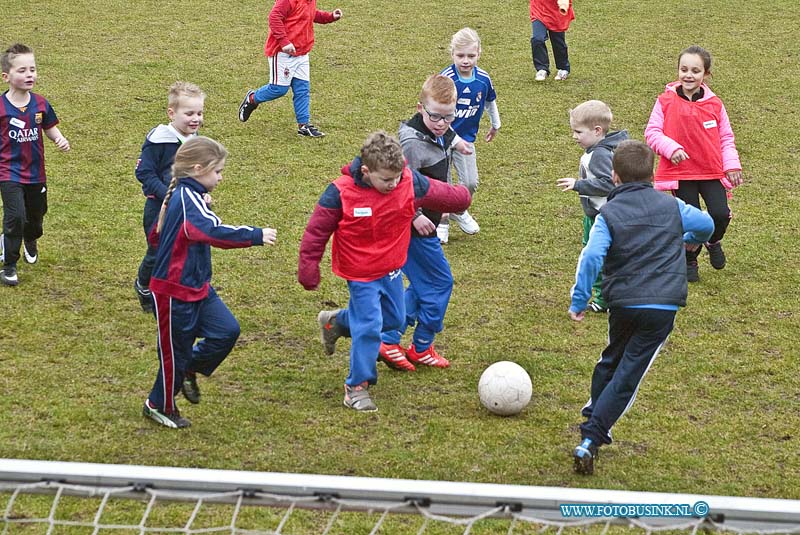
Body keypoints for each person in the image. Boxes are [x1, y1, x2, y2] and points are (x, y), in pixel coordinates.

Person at [568, 140, 714, 475]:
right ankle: (591, 436)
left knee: (612, 358)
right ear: (653, 175)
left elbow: (591, 256)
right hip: (661, 306)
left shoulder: (610, 213)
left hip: (623, 302)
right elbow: (706, 223)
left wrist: (579, 299)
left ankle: (593, 417)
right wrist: (687, 239)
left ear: (615, 177)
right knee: (629, 373)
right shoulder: (671, 205)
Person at [298, 131, 471, 411]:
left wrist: (461, 198)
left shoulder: (406, 180)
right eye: (386, 180)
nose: (394, 184)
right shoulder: (340, 193)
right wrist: (308, 267)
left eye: (397, 177)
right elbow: (316, 232)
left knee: (392, 320)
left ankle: (337, 323)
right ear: (366, 172)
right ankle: (356, 387)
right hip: (361, 275)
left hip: (391, 270)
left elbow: (439, 192)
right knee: (369, 328)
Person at [143, 137, 277, 429]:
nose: (221, 177)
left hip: (197, 286)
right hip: (173, 292)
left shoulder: (189, 195)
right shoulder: (186, 200)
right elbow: (211, 231)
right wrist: (254, 235)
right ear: (198, 168)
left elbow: (161, 234)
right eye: (217, 171)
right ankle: (159, 404)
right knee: (173, 354)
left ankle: (191, 367)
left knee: (227, 330)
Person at [377, 74, 472, 373]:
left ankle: (391, 338)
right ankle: (419, 345)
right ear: (420, 108)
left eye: (448, 117)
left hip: (425, 223)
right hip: (410, 226)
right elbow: (396, 185)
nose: (442, 124)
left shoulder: (438, 128)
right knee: (440, 282)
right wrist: (415, 216)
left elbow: (447, 132)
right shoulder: (411, 145)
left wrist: (457, 143)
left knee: (421, 284)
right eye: (435, 117)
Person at [645, 45, 743, 283]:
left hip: (711, 171)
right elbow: (652, 132)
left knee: (720, 214)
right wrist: (672, 148)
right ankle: (690, 258)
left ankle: (713, 240)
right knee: (691, 220)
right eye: (684, 69)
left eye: (695, 71)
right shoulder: (665, 101)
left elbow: (726, 138)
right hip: (682, 174)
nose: (688, 75)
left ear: (705, 75)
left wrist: (731, 165)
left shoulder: (715, 105)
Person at [0, 43, 70, 286]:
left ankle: (31, 238)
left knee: (36, 217)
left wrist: (59, 138)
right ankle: (9, 264)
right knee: (15, 217)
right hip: (9, 173)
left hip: (36, 173)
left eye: (32, 69)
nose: (29, 74)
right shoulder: (0, 108)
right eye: (22, 70)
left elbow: (49, 127)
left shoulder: (40, 104)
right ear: (6, 76)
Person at [134, 81, 205, 313]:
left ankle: (173, 292)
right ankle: (144, 285)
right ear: (172, 113)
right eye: (189, 113)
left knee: (184, 251)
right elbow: (143, 172)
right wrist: (169, 195)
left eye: (199, 113)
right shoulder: (159, 140)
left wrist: (201, 194)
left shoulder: (195, 140)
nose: (195, 119)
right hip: (159, 209)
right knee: (158, 252)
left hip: (186, 208)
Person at [557, 100, 628, 313]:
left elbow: (609, 183)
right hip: (601, 214)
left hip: (602, 215)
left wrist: (579, 185)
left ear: (597, 131)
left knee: (594, 254)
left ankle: (602, 299)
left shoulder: (599, 154)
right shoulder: (599, 149)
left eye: (578, 132)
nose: (574, 136)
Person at [238, 0, 342, 138]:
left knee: (302, 90)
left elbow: (310, 14)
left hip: (302, 53)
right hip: (283, 53)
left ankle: (304, 126)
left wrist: (329, 17)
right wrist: (284, 42)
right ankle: (252, 99)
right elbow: (274, 17)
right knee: (278, 89)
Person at [440, 27, 501, 237]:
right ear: (452, 54)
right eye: (460, 56)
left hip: (466, 139)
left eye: (471, 56)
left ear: (479, 54)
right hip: (441, 139)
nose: (465, 60)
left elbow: (489, 101)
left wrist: (496, 124)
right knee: (443, 182)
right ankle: (443, 221)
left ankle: (459, 209)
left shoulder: (483, 78)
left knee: (470, 182)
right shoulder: (446, 79)